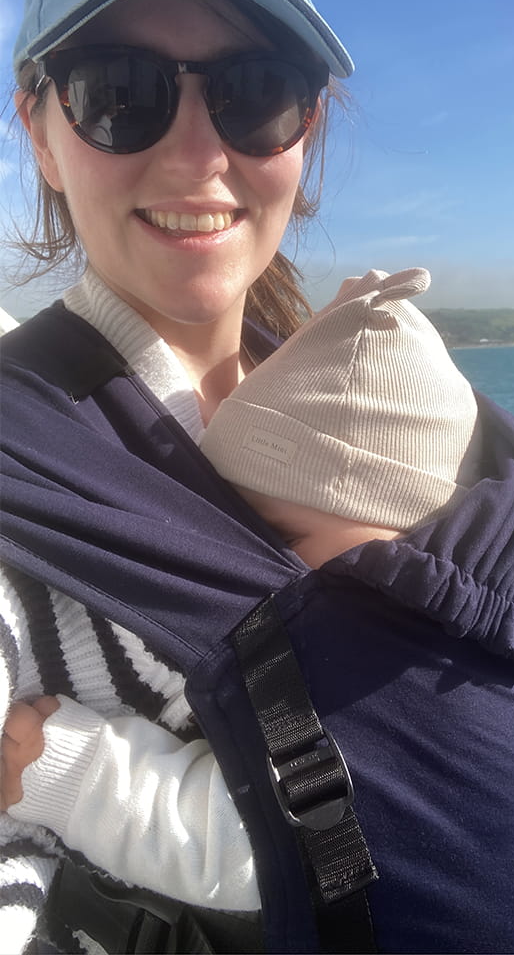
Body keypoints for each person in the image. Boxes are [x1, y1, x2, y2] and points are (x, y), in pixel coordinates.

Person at [1, 0, 514, 955]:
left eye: (254, 91)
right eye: (117, 90)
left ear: (308, 128)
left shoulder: (362, 403)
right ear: (40, 128)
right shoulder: (30, 467)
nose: (199, 153)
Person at [1, 265, 484, 909]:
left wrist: (69, 771)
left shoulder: (395, 664)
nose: (250, 550)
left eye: (277, 533)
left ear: (391, 536)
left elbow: (274, 846)